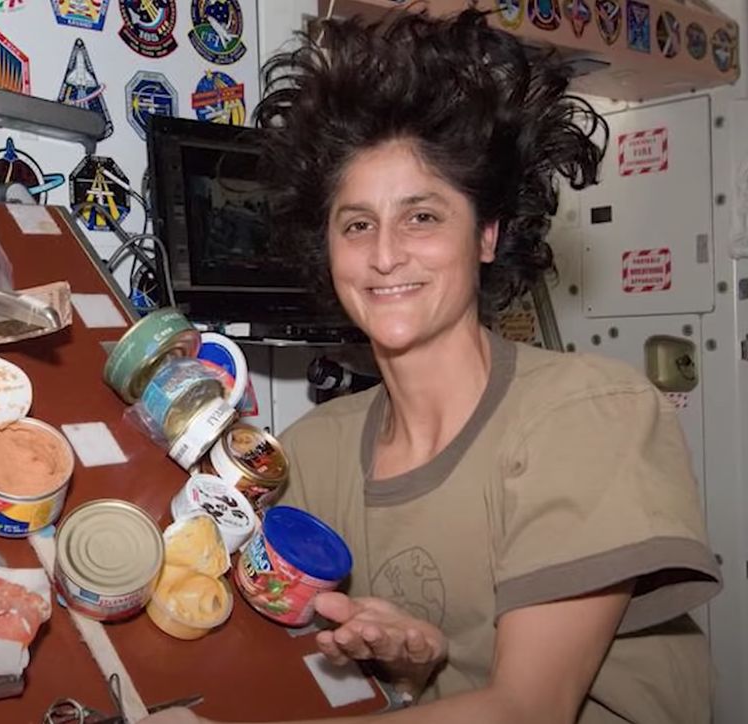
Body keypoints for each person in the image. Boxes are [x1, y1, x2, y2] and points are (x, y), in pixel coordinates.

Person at [143, 8, 722, 724]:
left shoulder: (587, 414)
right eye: (357, 224)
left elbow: (527, 708)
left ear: (485, 234)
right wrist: (412, 665)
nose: (384, 254)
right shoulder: (314, 453)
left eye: (421, 216)